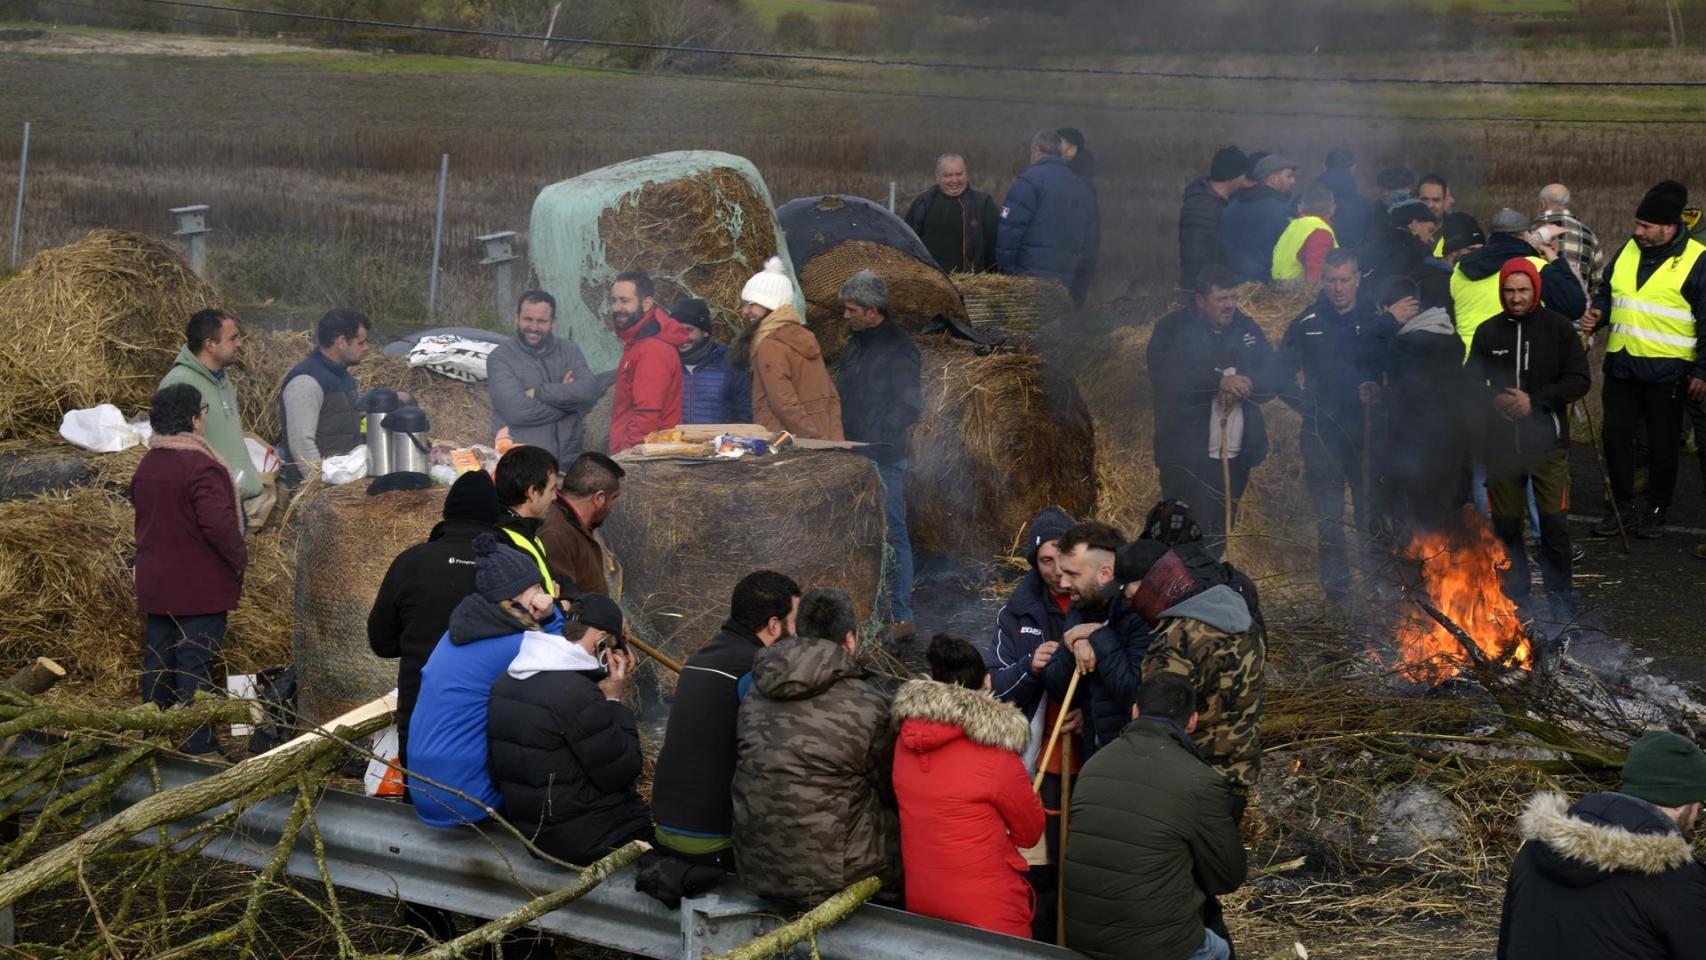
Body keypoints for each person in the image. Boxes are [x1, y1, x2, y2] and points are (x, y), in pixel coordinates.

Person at [731, 587, 900, 905]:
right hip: (837, 880)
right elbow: (895, 790)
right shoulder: (870, 705)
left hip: (755, 868)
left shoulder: (756, 691)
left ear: (796, 630)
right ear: (849, 640)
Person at [1064, 674, 1247, 960]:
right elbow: (1228, 877)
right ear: (1192, 722)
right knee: (1220, 950)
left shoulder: (1093, 764)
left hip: (1082, 938)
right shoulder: (1199, 780)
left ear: (1135, 711)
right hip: (1155, 948)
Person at [645, 571, 800, 901]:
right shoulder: (755, 672)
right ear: (774, 625)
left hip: (665, 830)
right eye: (794, 622)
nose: (798, 633)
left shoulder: (698, 661)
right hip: (713, 841)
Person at [1497, 730, 1706, 960]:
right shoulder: (1675, 880)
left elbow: (1507, 947)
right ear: (1678, 802)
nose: (1697, 816)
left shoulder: (1535, 851)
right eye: (1700, 804)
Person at [891, 634, 1044, 939]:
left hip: (922, 902)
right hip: (990, 913)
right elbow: (1030, 833)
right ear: (987, 682)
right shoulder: (996, 752)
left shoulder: (904, 742)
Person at [406, 533, 565, 828]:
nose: (541, 593)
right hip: (466, 798)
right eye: (535, 588)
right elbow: (566, 661)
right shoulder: (512, 644)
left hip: (423, 788)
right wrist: (553, 612)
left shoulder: (463, 629)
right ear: (514, 598)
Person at [486, 593, 650, 865]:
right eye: (612, 647)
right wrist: (613, 701)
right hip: (578, 838)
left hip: (529, 831)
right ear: (600, 640)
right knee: (642, 821)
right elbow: (623, 771)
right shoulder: (576, 693)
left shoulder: (507, 680)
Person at [1277, 249, 1402, 607]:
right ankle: (1338, 594)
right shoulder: (1307, 321)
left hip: (1367, 432)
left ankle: (1379, 588)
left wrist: (1381, 392)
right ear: (1323, 281)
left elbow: (1399, 369)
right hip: (1322, 434)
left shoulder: (1376, 319)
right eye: (1331, 280)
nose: (1338, 288)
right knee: (1329, 517)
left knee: (1371, 513)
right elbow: (1279, 373)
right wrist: (1306, 406)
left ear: (1358, 278)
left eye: (1345, 279)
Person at [1583, 180, 1706, 539]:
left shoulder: (1698, 260)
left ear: (1669, 227)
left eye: (1646, 226)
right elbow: (1608, 290)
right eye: (1637, 224)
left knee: (1663, 446)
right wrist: (1599, 312)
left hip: (1668, 371)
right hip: (1622, 366)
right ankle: (1621, 508)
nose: (1638, 231)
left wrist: (1702, 370)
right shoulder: (1627, 251)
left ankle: (1655, 510)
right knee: (1616, 438)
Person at [1470, 258, 1590, 622]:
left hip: (1548, 447)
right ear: (1501, 291)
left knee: (1554, 528)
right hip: (1502, 449)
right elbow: (1468, 382)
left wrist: (1535, 401)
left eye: (1523, 290)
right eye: (1509, 291)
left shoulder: (1558, 330)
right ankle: (1517, 605)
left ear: (1535, 290)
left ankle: (1561, 606)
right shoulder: (1488, 332)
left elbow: (1579, 380)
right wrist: (1492, 399)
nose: (1516, 298)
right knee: (1506, 529)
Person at [131, 383, 247, 757]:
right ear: (195, 420)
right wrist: (238, 559)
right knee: (194, 663)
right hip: (199, 586)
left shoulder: (149, 463)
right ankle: (198, 746)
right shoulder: (201, 466)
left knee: (159, 660)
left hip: (157, 581)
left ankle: (152, 736)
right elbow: (218, 524)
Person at [368, 469, 502, 770]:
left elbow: (382, 643)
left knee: (419, 803)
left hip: (421, 717)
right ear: (495, 518)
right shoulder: (516, 565)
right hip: (493, 719)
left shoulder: (411, 562)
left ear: (447, 513)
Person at [1147, 266, 1278, 554]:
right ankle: (1175, 590)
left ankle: (1208, 586)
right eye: (1222, 298)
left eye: (1233, 297)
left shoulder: (1247, 329)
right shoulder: (1171, 329)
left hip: (1232, 455)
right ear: (1200, 300)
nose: (1230, 305)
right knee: (1180, 532)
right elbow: (1165, 376)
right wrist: (1216, 382)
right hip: (1186, 456)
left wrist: (1247, 385)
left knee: (1218, 531)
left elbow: (1273, 373)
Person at [1126, 543, 1263, 810]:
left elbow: (1157, 726)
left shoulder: (1176, 639)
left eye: (1132, 595)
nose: (1132, 603)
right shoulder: (1243, 622)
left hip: (1188, 785)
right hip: (1236, 778)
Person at [834, 271, 922, 640]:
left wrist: (876, 438)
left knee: (892, 534)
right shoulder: (857, 342)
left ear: (873, 310)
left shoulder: (899, 347)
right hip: (853, 451)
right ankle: (865, 611)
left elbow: (910, 406)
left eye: (851, 309)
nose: (845, 316)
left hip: (882, 456)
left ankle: (901, 616)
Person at [1041, 523, 1148, 758]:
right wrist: (1075, 644)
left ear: (1106, 573)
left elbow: (1134, 692)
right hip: (1094, 752)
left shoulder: (1139, 611)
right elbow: (1058, 687)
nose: (1064, 584)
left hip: (1134, 757)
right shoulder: (1081, 605)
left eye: (1073, 575)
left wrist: (1097, 636)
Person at [487, 290, 612, 473]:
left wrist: (540, 393)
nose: (534, 327)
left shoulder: (569, 350)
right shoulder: (500, 358)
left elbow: (589, 393)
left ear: (553, 322)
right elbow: (518, 412)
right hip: (526, 466)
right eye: (528, 319)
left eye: (542, 321)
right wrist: (571, 402)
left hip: (569, 463)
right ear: (517, 318)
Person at [733, 257, 844, 440]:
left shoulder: (769, 344)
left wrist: (814, 438)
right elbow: (831, 396)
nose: (745, 311)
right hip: (819, 435)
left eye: (751, 304)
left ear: (770, 304)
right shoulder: (804, 337)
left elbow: (783, 404)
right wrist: (832, 438)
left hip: (785, 442)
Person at [159, 308, 263, 503]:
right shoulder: (180, 383)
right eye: (232, 338)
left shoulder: (223, 381)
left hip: (233, 498)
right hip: (208, 502)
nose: (239, 344)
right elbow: (173, 453)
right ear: (210, 344)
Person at [1451, 208, 1587, 357]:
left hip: (1469, 364)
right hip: (1513, 363)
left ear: (1491, 236)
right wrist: (1556, 260)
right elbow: (1575, 306)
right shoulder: (1534, 267)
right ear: (1524, 235)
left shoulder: (1461, 267)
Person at [996, 130, 1099, 305]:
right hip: (1065, 283)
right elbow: (1090, 242)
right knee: (1055, 330)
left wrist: (1008, 273)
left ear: (1037, 150)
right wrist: (1079, 283)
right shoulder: (1081, 188)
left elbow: (1009, 232)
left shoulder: (1028, 182)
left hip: (1029, 281)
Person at [277, 308, 369, 484]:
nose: (366, 347)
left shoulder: (345, 377)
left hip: (341, 486)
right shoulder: (306, 382)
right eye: (361, 342)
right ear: (341, 342)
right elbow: (302, 444)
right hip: (317, 493)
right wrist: (318, 487)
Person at [607, 270, 690, 453]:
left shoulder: (652, 349)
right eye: (614, 300)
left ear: (646, 304)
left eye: (624, 300)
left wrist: (625, 454)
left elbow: (648, 414)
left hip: (642, 457)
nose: (616, 307)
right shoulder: (637, 342)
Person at [539, 451, 623, 597]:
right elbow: (565, 602)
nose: (613, 506)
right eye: (613, 498)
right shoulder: (555, 535)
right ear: (599, 498)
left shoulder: (579, 523)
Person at [903, 153, 1000, 274]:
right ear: (937, 177)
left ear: (966, 175)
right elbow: (906, 244)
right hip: (931, 282)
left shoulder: (983, 204)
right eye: (948, 175)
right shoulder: (922, 204)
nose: (954, 180)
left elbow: (996, 249)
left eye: (959, 174)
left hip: (971, 284)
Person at [493, 445, 565, 599]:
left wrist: (569, 600)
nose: (555, 497)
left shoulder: (527, 533)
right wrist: (558, 606)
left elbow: (561, 582)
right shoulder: (507, 545)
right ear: (533, 492)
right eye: (552, 489)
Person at [1218, 154, 1299, 283]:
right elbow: (1293, 253)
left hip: (1233, 286)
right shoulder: (1282, 212)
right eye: (1288, 176)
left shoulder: (1230, 208)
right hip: (1266, 288)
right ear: (1273, 180)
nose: (1293, 181)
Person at [1178, 145, 1249, 290]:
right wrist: (1205, 289)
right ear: (1235, 176)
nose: (1245, 179)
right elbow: (1195, 254)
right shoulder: (1201, 207)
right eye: (1243, 174)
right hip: (1204, 288)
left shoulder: (1223, 201)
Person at [672, 298, 752, 425]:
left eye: (689, 330)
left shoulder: (730, 362)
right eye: (676, 330)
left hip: (721, 442)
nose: (682, 337)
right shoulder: (667, 363)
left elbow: (745, 410)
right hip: (678, 443)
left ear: (704, 332)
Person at [1535, 182, 1602, 296]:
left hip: (1541, 309)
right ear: (1566, 204)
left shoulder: (1532, 232)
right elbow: (1597, 281)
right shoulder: (1589, 235)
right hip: (1578, 309)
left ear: (1543, 204)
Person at [1361, 200, 1440, 297]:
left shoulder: (1370, 242)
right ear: (1415, 225)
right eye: (1430, 230)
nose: (1431, 239)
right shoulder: (1420, 252)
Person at [1270, 182, 1338, 282]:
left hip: (1278, 291)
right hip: (1297, 294)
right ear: (1332, 209)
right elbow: (1314, 280)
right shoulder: (1321, 233)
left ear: (1300, 208)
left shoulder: (1292, 227)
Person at [1318, 147, 1374, 251]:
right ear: (1353, 168)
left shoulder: (1302, 200)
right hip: (1350, 264)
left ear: (1324, 167)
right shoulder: (1367, 206)